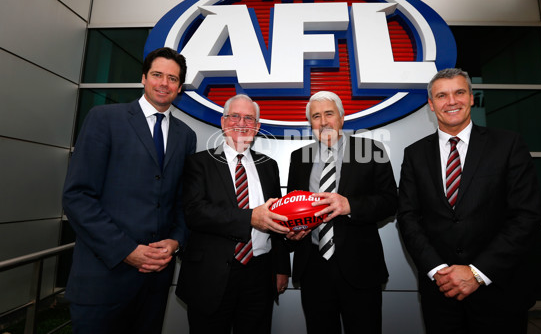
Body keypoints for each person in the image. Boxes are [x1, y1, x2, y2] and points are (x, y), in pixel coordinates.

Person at [62, 47, 197, 334]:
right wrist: (126, 250)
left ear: (180, 87)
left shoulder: (186, 136)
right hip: (103, 280)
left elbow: (181, 199)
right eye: (157, 75)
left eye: (172, 78)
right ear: (144, 78)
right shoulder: (104, 119)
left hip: (154, 283)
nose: (164, 83)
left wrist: (175, 240)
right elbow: (77, 197)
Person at [396, 68, 541, 333]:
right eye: (442, 95)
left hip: (499, 289)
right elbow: (408, 217)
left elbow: (526, 216)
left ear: (472, 98)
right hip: (440, 293)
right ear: (431, 104)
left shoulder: (508, 145)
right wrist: (438, 270)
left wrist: (476, 272)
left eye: (459, 92)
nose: (451, 101)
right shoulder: (415, 154)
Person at [176, 94, 291, 334]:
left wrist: (281, 267)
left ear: (257, 127)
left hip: (260, 274)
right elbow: (195, 212)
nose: (242, 123)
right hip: (211, 274)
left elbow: (275, 216)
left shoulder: (269, 165)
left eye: (249, 118)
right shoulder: (199, 163)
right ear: (223, 122)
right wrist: (250, 217)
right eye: (235, 116)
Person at [286, 91, 398, 334]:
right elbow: (294, 207)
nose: (323, 121)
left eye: (329, 113)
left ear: (342, 117)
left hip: (360, 266)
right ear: (310, 123)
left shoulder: (371, 150)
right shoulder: (299, 158)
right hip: (313, 268)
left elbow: (390, 201)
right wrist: (293, 229)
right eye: (316, 116)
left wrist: (351, 206)